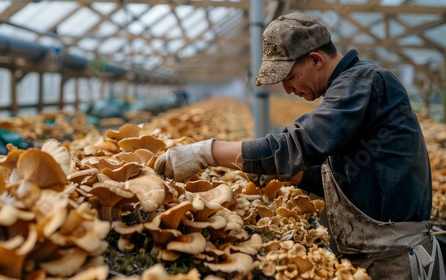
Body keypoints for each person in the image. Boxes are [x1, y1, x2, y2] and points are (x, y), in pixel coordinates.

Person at [154, 12, 445, 279]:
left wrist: (207, 153)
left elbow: (299, 143)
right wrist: (290, 174)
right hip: (374, 256)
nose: (287, 89)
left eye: (290, 77)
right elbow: (354, 177)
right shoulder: (354, 88)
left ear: (316, 60)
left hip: (395, 261)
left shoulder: (363, 82)